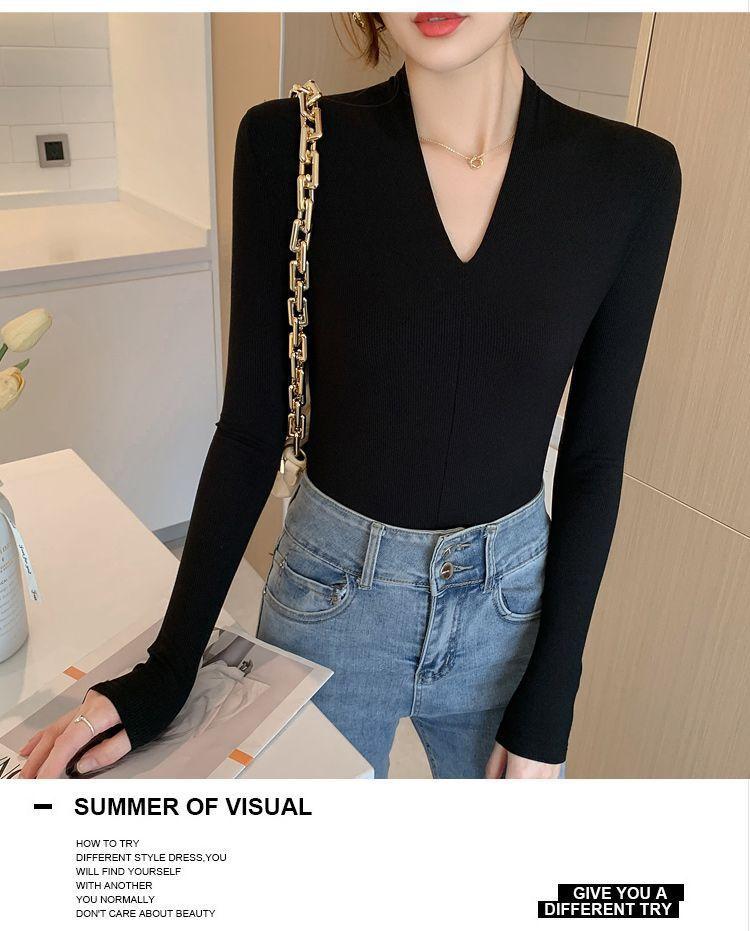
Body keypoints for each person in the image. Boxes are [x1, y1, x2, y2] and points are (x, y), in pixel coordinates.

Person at [19, 12, 681, 779]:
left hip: (511, 615)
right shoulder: (288, 145)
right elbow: (250, 430)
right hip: (330, 598)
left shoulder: (629, 177)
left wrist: (553, 698)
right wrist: (167, 670)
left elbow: (594, 457)